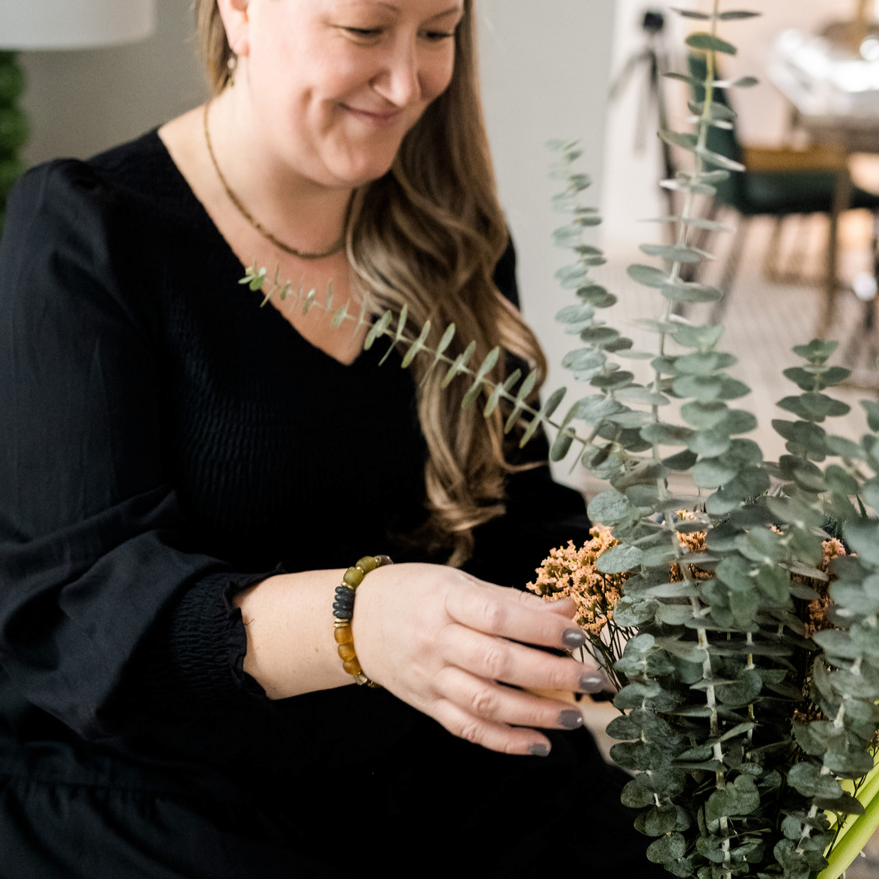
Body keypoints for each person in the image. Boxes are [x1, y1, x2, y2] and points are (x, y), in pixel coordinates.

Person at [0, 1, 663, 876]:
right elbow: (81, 618)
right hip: (170, 789)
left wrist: (642, 612)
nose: (406, 82)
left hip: (435, 766)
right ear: (239, 11)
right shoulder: (87, 231)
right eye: (363, 30)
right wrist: (361, 621)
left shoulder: (451, 238)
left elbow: (520, 515)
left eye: (436, 31)